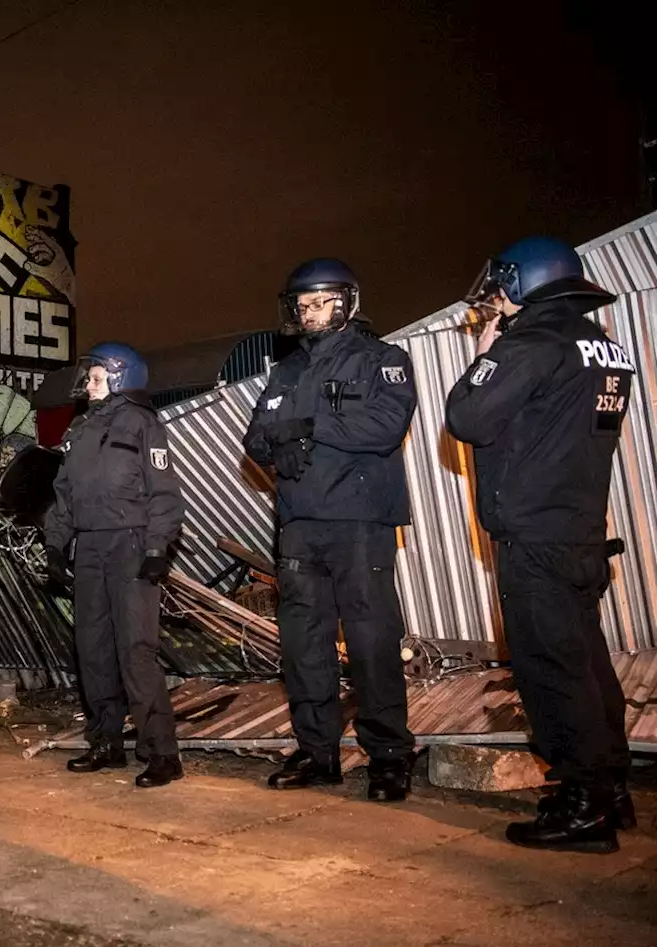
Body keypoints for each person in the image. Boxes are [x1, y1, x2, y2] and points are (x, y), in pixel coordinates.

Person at [446, 237, 634, 854]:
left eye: (501, 290)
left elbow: (467, 419)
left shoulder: (530, 343)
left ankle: (586, 810)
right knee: (587, 663)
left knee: (551, 670)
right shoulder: (598, 343)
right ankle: (609, 788)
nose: (494, 303)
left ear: (525, 284)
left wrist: (485, 355)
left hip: (534, 533)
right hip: (578, 526)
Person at [243, 258, 417, 801]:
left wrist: (309, 429)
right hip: (298, 526)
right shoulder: (287, 370)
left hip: (359, 520)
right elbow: (256, 438)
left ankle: (390, 755)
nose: (310, 312)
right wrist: (280, 445)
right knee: (303, 645)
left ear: (346, 304)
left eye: (320, 302)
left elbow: (387, 424)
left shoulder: (382, 359)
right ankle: (317, 753)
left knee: (371, 641)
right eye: (303, 304)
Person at [44, 342, 186, 789]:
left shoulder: (143, 425)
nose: (88, 384)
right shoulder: (81, 429)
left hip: (130, 546)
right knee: (93, 649)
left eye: (96, 376)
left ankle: (161, 752)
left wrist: (157, 549)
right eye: (88, 377)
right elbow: (64, 493)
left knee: (135, 651)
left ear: (121, 377)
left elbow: (163, 491)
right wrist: (55, 544)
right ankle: (105, 742)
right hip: (89, 548)